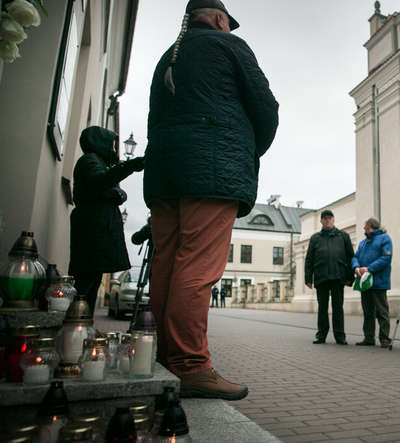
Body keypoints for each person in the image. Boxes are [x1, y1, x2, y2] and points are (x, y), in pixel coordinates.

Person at [143, 0, 278, 400]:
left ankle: (165, 356)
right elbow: (266, 108)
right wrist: (247, 147)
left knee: (167, 264)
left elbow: (154, 119)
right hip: (212, 167)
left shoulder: (168, 56)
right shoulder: (228, 46)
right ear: (220, 19)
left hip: (166, 171)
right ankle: (190, 365)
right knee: (198, 267)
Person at [69, 126, 144, 316]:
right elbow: (100, 182)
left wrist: (115, 192)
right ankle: (78, 325)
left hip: (95, 231)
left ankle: (84, 324)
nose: (113, 150)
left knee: (90, 281)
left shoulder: (95, 162)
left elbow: (105, 186)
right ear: (99, 143)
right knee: (85, 284)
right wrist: (130, 166)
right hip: (92, 232)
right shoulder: (89, 161)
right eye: (111, 145)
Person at [305, 209, 354, 345]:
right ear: (321, 221)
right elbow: (309, 258)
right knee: (322, 308)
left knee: (338, 308)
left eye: (329, 218)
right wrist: (308, 278)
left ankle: (340, 336)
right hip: (321, 277)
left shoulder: (343, 236)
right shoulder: (315, 238)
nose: (327, 220)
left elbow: (350, 256)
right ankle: (321, 335)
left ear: (333, 220)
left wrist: (350, 276)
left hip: (338, 277)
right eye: (324, 218)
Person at [352, 218, 393, 348]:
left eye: (365, 227)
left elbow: (386, 258)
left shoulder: (384, 239)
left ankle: (384, 338)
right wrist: (356, 267)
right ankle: (369, 338)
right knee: (368, 311)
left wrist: (369, 268)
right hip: (364, 282)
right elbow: (355, 257)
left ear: (371, 227)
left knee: (382, 311)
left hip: (379, 281)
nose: (364, 229)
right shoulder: (363, 243)